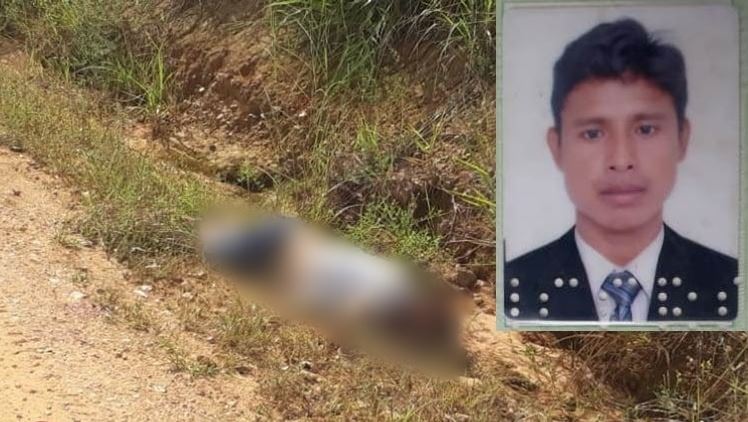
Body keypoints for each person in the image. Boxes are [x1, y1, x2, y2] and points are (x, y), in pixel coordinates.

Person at [504, 18, 738, 322]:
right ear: (557, 147)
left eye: (645, 129)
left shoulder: (730, 286)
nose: (621, 159)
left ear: (682, 138)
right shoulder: (513, 287)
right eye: (593, 133)